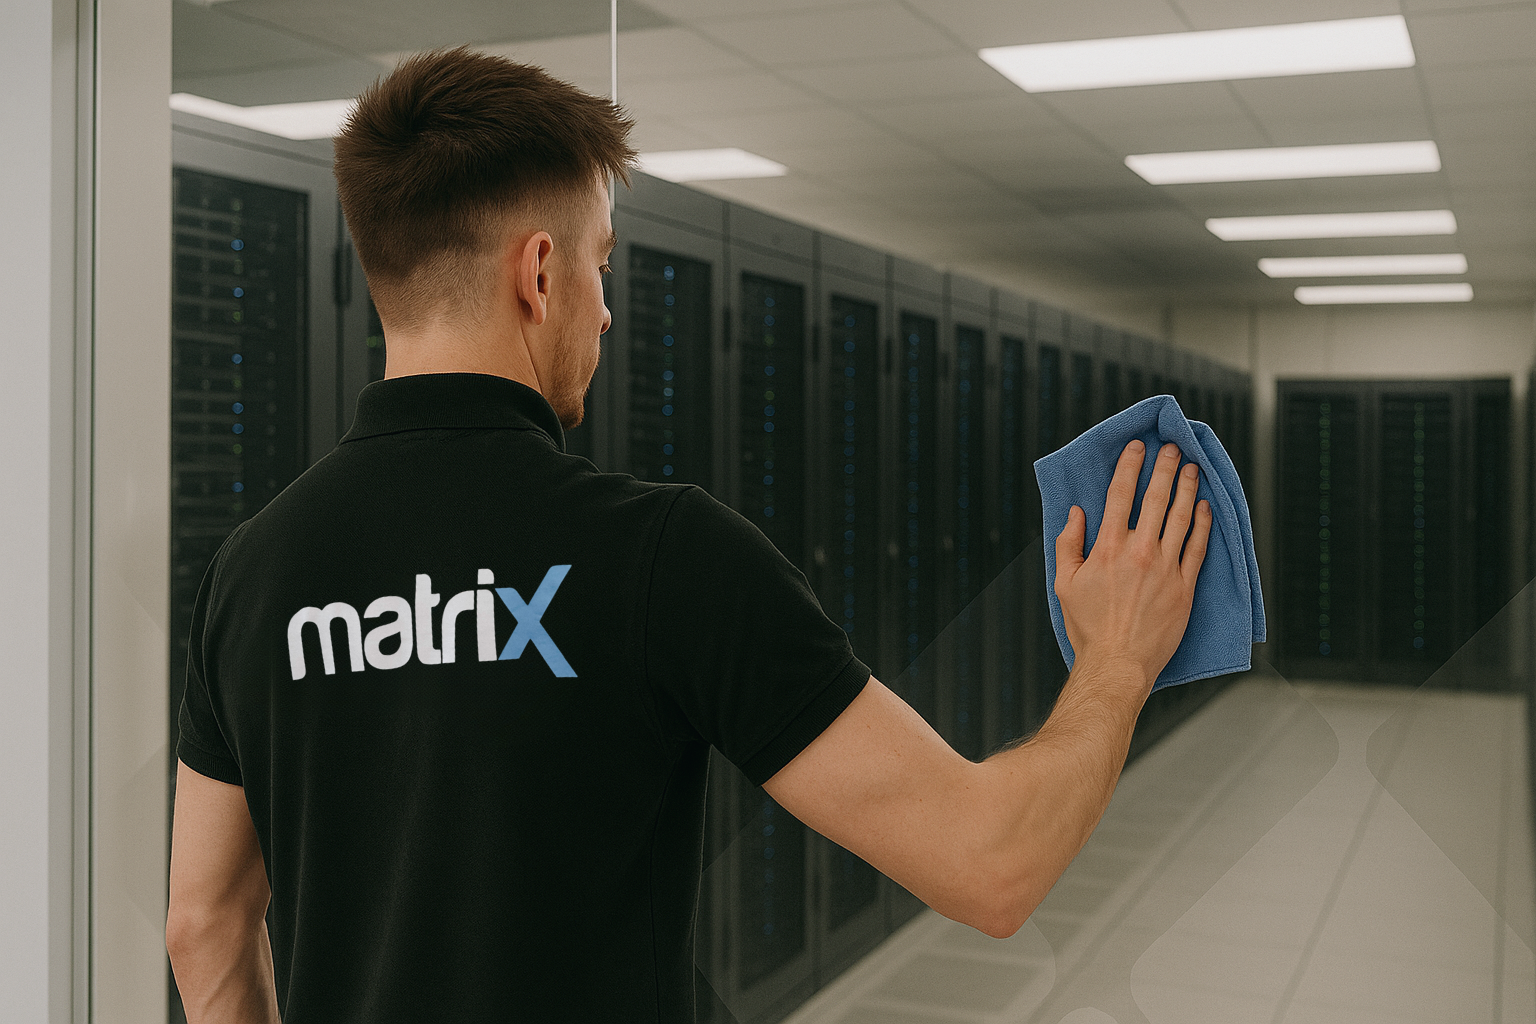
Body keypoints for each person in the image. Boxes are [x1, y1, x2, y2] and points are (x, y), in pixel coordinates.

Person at [166, 47, 1212, 1024]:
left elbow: (204, 924)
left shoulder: (252, 570)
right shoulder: (660, 556)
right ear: (538, 274)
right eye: (602, 264)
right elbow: (991, 863)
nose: (607, 312)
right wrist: (1118, 659)